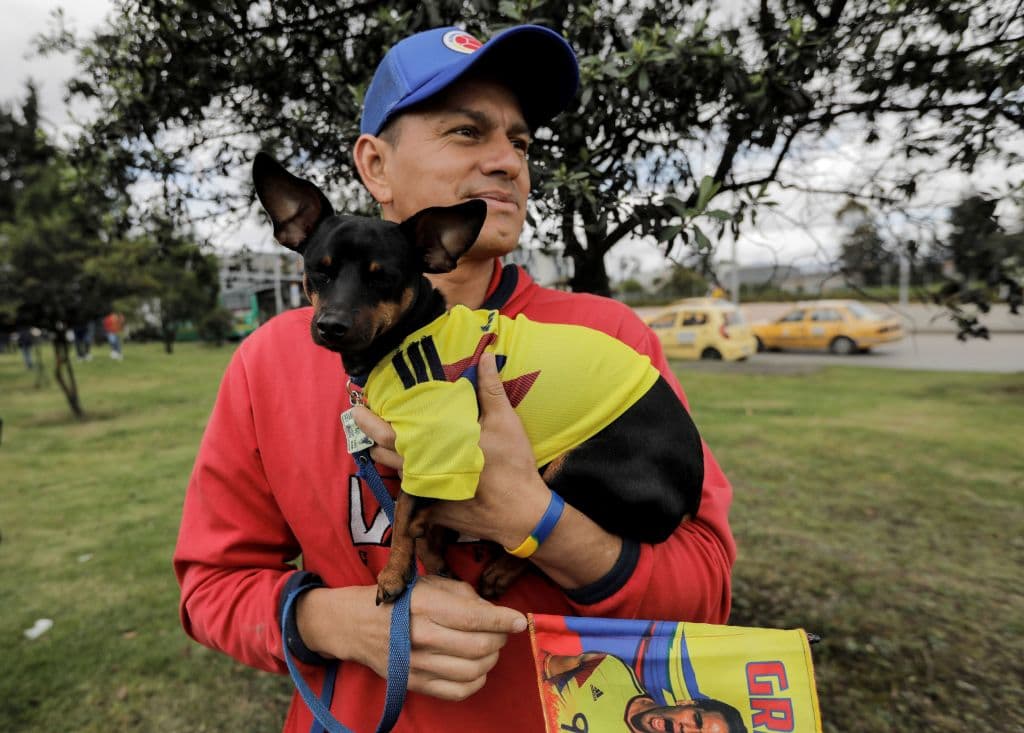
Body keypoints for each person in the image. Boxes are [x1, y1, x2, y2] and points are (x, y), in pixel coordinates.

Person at [174, 24, 736, 733]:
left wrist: (538, 520)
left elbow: (707, 589)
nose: (508, 161)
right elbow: (209, 589)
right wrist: (331, 620)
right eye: (467, 132)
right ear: (375, 165)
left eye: (521, 142)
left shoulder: (611, 339)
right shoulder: (267, 362)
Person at [543, 652, 747, 733]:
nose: (686, 730)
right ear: (687, 702)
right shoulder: (609, 668)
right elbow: (536, 661)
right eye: (697, 721)